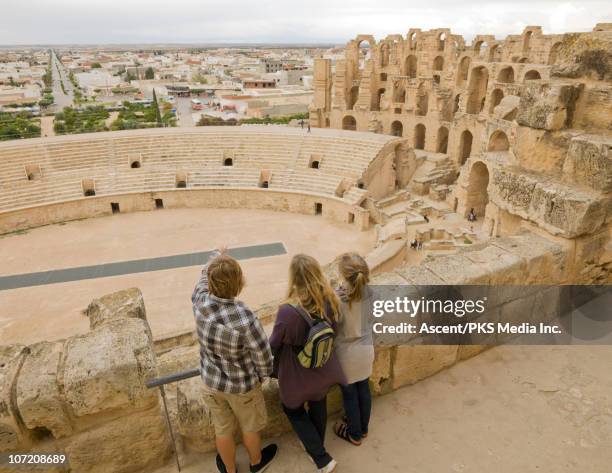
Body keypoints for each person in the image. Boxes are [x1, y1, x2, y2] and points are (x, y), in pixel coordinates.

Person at [192, 247, 278, 473]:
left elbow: (202, 278)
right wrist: (263, 375)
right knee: (250, 427)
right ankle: (256, 463)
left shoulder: (199, 302)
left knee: (222, 429)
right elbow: (262, 355)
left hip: (211, 382)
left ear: (210, 282)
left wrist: (216, 257)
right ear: (239, 283)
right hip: (242, 386)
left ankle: (230, 470)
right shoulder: (245, 316)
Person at [269, 254, 345, 473]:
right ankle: (315, 445)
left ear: (294, 278)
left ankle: (321, 458)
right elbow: (336, 332)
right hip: (322, 369)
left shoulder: (287, 311)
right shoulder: (331, 300)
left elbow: (273, 345)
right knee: (318, 403)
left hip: (295, 374)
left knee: (292, 410)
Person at [332, 253, 374, 446]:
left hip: (347, 354)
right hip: (366, 350)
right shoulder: (371, 292)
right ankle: (363, 429)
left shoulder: (338, 298)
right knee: (364, 389)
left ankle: (354, 434)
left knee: (349, 395)